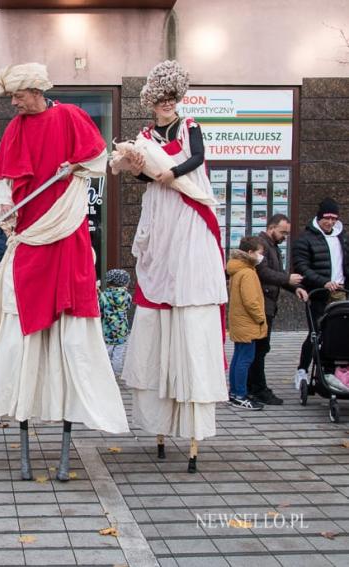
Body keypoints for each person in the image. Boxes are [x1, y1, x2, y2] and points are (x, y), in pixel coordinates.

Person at [0, 62, 129, 482]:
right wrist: (5, 208)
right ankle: (25, 419)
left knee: (69, 329)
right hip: (30, 236)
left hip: (65, 233)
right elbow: (5, 182)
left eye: (18, 95)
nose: (13, 103)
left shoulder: (69, 116)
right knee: (22, 327)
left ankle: (69, 428)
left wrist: (76, 167)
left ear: (36, 90)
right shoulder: (15, 129)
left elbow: (98, 158)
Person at [120, 60, 227, 473]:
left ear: (176, 101)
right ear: (152, 104)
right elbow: (145, 178)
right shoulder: (146, 135)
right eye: (158, 103)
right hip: (161, 210)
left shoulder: (189, 125)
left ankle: (192, 424)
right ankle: (158, 425)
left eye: (169, 102)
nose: (164, 108)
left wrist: (171, 171)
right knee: (157, 283)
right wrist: (138, 168)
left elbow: (197, 158)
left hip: (186, 204)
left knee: (188, 289)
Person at [249, 214, 308, 405]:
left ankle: (256, 386)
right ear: (271, 227)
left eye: (287, 233)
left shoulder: (272, 246)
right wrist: (287, 280)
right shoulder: (260, 244)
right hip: (261, 304)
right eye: (282, 232)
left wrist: (295, 287)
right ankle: (257, 388)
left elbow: (279, 274)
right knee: (259, 348)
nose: (285, 237)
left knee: (261, 348)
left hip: (268, 305)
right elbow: (263, 272)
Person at [292, 197, 349, 391]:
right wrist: (322, 282)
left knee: (339, 334)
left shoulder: (342, 237)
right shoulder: (306, 239)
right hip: (319, 293)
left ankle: (332, 370)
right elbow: (302, 266)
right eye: (327, 218)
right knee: (316, 333)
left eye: (334, 219)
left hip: (340, 292)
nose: (331, 222)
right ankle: (302, 369)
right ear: (319, 217)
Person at [227, 236, 268, 410]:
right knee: (245, 358)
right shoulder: (248, 273)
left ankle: (235, 391)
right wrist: (261, 317)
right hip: (248, 322)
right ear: (250, 253)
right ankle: (239, 394)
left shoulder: (237, 270)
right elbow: (251, 301)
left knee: (239, 356)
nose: (261, 256)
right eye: (260, 253)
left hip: (239, 320)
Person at [99, 269, 132, 377]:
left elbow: (100, 310)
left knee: (106, 353)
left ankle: (106, 374)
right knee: (119, 354)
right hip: (122, 330)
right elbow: (127, 308)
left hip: (107, 330)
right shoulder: (127, 296)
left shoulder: (104, 296)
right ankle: (116, 373)